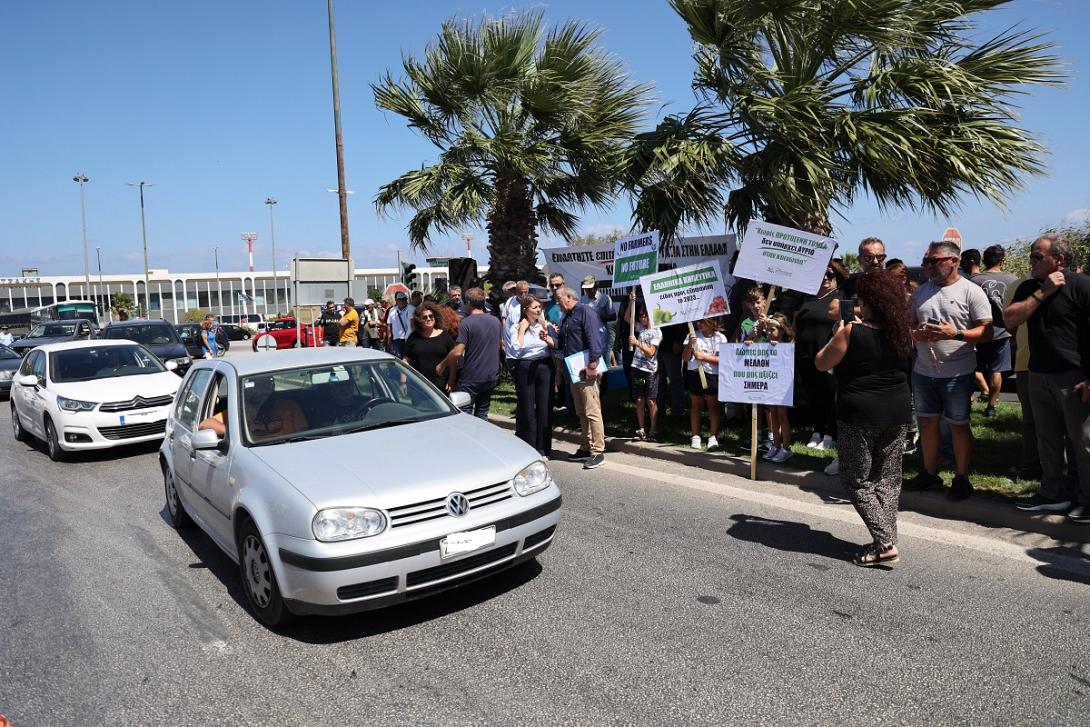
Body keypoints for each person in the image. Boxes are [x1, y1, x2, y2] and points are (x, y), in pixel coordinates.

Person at [815, 269, 914, 566]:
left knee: (856, 480)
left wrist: (837, 333)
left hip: (859, 413)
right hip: (897, 411)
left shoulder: (850, 332)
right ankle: (887, 539)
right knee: (888, 480)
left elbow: (822, 363)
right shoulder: (903, 333)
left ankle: (884, 544)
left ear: (869, 301)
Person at [1005, 233, 1090, 522]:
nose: (1031, 261)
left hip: (1074, 376)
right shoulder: (1031, 287)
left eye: (1037, 256)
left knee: (1083, 442)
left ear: (1060, 259)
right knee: (1047, 439)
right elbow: (1010, 319)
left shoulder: (1082, 285)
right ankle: (1053, 494)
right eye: (1030, 255)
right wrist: (1042, 293)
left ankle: (1087, 500)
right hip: (1038, 373)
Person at [904, 241, 993, 500]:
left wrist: (956, 333)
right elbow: (909, 327)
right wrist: (915, 333)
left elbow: (987, 332)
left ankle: (961, 478)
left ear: (953, 260)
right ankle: (929, 473)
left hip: (958, 372)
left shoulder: (971, 291)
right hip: (923, 371)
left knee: (958, 426)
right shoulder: (921, 293)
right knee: (928, 423)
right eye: (926, 261)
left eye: (934, 260)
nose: (928, 266)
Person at [793, 261, 847, 453]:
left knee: (830, 395)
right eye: (822, 274)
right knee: (813, 395)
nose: (825, 278)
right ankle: (817, 431)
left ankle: (831, 434)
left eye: (830, 275)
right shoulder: (807, 299)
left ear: (837, 279)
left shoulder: (839, 299)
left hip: (828, 356)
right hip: (805, 356)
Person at [556, 285, 606, 469]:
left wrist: (593, 364)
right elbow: (562, 344)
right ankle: (586, 446)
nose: (557, 302)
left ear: (568, 297)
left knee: (592, 410)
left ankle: (598, 450)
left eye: (558, 298)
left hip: (587, 369)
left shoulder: (586, 312)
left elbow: (595, 339)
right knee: (581, 410)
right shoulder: (566, 317)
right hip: (573, 369)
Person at [438, 287, 501, 419]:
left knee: (465, 416)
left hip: (472, 377)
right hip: (491, 375)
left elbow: (458, 352)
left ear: (468, 303)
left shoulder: (466, 324)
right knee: (482, 414)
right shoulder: (495, 321)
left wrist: (443, 364)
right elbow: (500, 345)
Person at [970, 244, 1017, 417]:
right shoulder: (1013, 280)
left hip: (979, 332)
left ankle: (973, 397)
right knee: (996, 370)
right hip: (1003, 332)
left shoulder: (975, 281)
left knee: (972, 367)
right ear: (1002, 260)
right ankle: (991, 407)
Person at [512, 295, 556, 457]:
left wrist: (548, 337)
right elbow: (516, 349)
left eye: (540, 307)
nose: (538, 310)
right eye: (535, 307)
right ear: (525, 310)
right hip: (525, 366)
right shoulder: (517, 328)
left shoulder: (545, 326)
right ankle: (529, 446)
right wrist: (522, 330)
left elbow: (555, 346)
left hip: (544, 366)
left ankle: (544, 448)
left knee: (545, 407)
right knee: (527, 408)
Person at [751, 314, 794, 463]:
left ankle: (786, 448)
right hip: (770, 385)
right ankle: (776, 446)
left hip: (782, 386)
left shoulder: (787, 346)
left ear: (782, 331)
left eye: (773, 329)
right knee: (773, 416)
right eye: (767, 330)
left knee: (782, 416)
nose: (769, 332)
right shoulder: (765, 345)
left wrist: (780, 350)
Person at [684, 318, 727, 451]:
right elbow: (685, 358)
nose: (699, 324)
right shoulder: (692, 335)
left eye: (703, 322)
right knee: (696, 405)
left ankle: (713, 436)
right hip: (694, 373)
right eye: (698, 322)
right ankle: (695, 436)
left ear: (712, 322)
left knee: (713, 406)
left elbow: (722, 359)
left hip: (711, 374)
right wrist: (690, 344)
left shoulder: (720, 338)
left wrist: (704, 357)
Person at [828, 237, 888, 321]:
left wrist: (848, 311)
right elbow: (833, 311)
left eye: (880, 257)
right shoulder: (850, 283)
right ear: (859, 260)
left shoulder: (893, 283)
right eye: (868, 257)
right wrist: (866, 311)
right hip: (855, 332)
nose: (875, 261)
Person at [628, 302, 662, 442]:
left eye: (643, 315)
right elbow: (627, 319)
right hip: (637, 369)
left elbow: (651, 352)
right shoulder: (640, 328)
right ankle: (641, 429)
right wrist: (632, 301)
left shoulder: (657, 331)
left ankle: (653, 429)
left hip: (650, 371)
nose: (641, 318)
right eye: (640, 315)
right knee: (640, 399)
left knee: (651, 400)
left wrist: (637, 343)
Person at [403, 302, 455, 392]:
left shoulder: (445, 336)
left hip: (441, 387)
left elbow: (453, 361)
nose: (429, 319)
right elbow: (406, 360)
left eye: (431, 316)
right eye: (424, 317)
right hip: (418, 386)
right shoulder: (413, 337)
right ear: (419, 320)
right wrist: (403, 382)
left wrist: (452, 380)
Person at [580, 276, 616, 356]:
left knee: (605, 364)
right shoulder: (582, 299)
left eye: (590, 288)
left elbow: (613, 316)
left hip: (601, 336)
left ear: (596, 287)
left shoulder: (605, 298)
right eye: (586, 288)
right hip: (587, 336)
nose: (587, 290)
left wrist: (596, 317)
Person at [386, 291, 415, 357]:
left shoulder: (411, 308)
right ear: (396, 300)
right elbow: (389, 325)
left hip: (408, 339)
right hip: (396, 339)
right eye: (401, 300)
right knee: (398, 359)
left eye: (404, 299)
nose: (403, 301)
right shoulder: (392, 310)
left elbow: (412, 326)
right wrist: (389, 340)